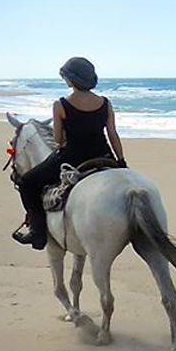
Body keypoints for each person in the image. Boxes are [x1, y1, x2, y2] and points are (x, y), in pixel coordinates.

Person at [12, 57, 127, 250]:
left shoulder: (60, 104)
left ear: (71, 79)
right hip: (104, 154)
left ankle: (37, 233)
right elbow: (113, 134)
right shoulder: (105, 103)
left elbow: (57, 140)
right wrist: (121, 161)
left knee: (27, 183)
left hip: (72, 157)